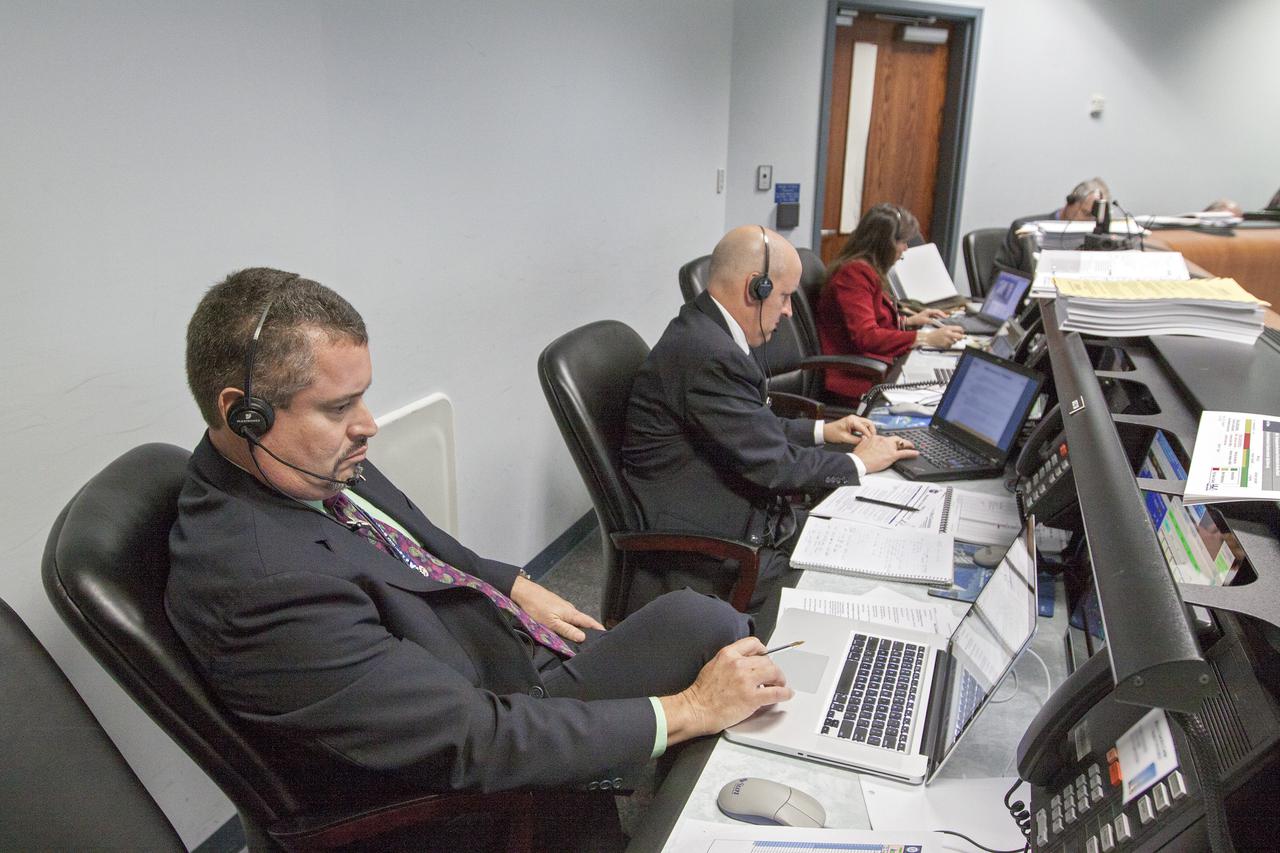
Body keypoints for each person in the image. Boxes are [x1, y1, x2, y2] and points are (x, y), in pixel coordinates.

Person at [165, 268, 794, 850]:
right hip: (489, 729)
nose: (367, 425)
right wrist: (690, 710)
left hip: (488, 645)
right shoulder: (262, 584)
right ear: (241, 414)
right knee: (711, 650)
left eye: (362, 397)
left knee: (704, 624)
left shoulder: (301, 463)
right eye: (337, 407)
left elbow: (429, 550)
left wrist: (513, 584)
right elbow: (476, 742)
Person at [621, 226, 918, 614]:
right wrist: (861, 462)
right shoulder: (710, 356)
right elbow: (775, 465)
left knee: (863, 543)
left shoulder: (707, 331)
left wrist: (822, 430)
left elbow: (746, 427)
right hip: (718, 551)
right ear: (755, 289)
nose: (789, 310)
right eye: (784, 296)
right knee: (858, 590)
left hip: (740, 511)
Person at [815, 203, 966, 404]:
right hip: (858, 379)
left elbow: (874, 318)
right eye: (902, 242)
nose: (905, 250)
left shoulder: (864, 269)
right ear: (884, 242)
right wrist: (925, 338)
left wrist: (909, 321)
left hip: (876, 366)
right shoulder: (853, 274)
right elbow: (866, 336)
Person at [994, 177, 1111, 273]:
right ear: (1070, 202)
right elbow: (1002, 279)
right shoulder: (1025, 231)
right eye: (1086, 214)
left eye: (1095, 219)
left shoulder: (1096, 237)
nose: (1090, 222)